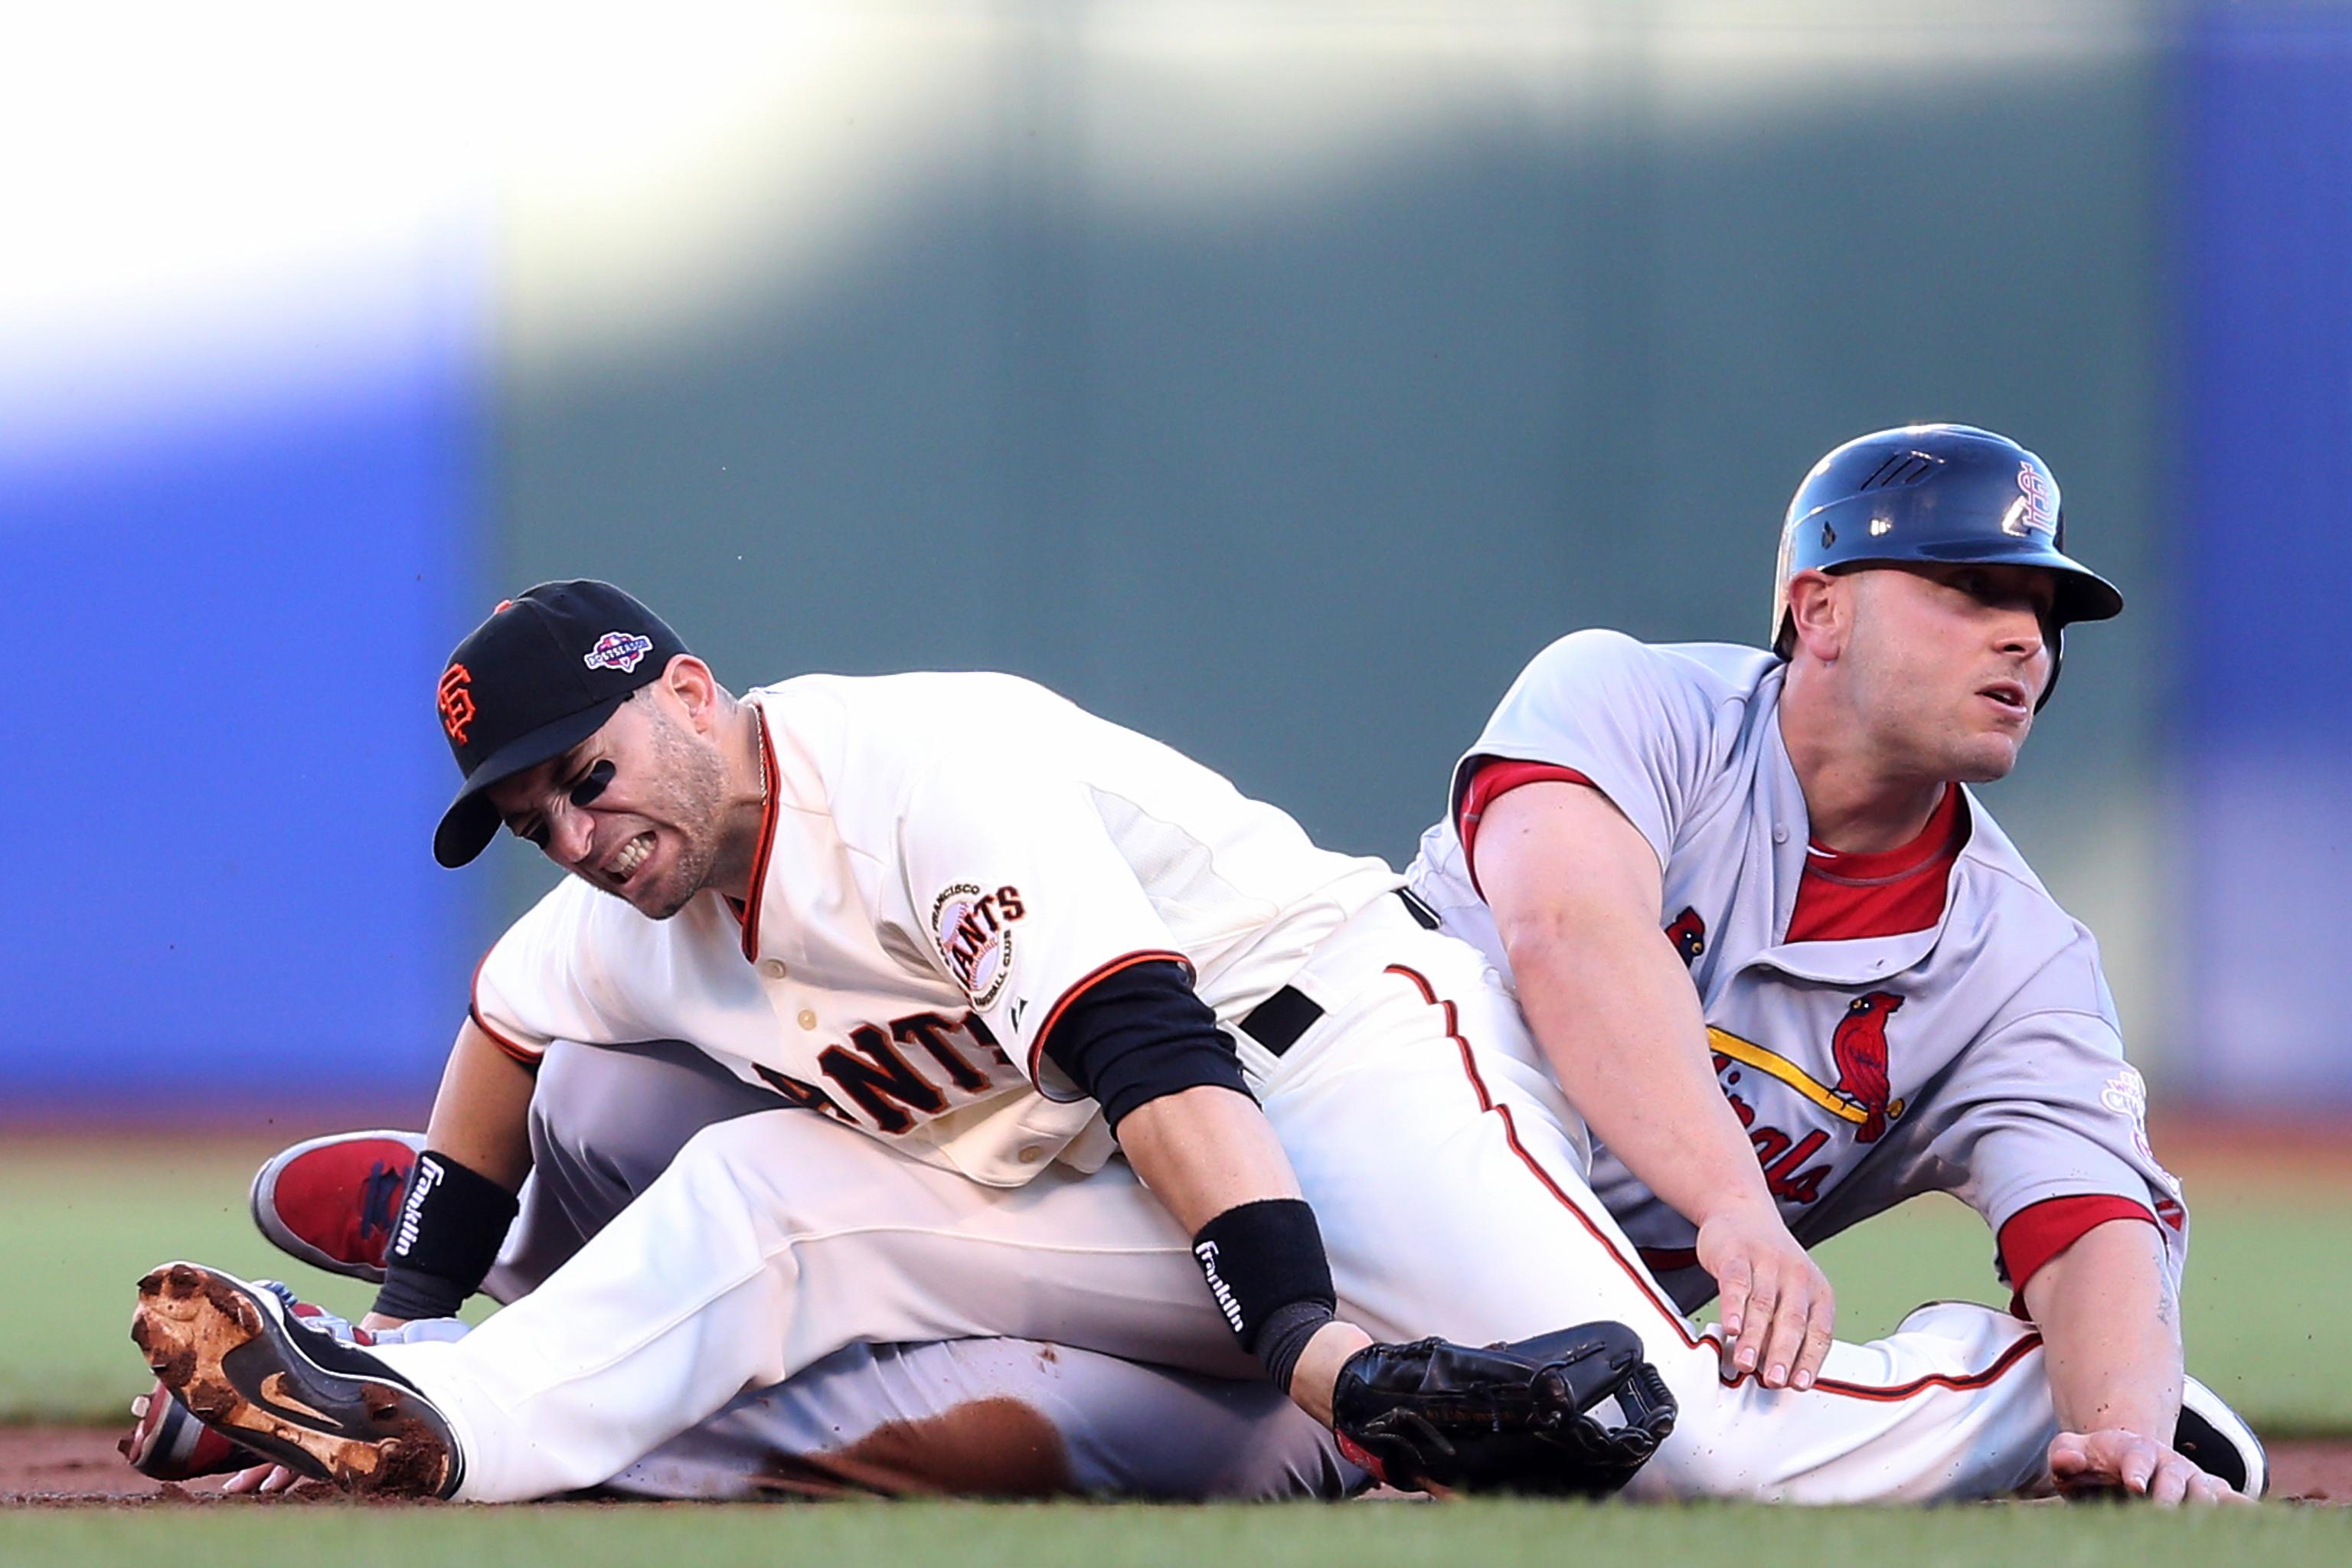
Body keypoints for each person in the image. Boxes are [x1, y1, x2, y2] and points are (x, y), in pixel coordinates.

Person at [134, 577, 2231, 1506]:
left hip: (1335, 1060)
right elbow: (505, 1036)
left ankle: (2047, 1409)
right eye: (531, 822)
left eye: (586, 774)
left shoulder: (904, 770)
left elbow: (1160, 1055)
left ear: (688, 689)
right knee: (755, 1195)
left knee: (1692, 1452)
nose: (578, 840)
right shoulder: (634, 903)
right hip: (1123, 1174)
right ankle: (428, 1419)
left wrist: (1328, 1354)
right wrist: (411, 1310)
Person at [1403, 423, 2260, 1501]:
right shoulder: (1631, 703)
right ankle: (2007, 1401)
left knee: (1284, 1449)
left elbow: (2094, 1221)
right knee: (1663, 1436)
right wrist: (1736, 1205)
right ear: (1820, 609)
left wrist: (2126, 1425)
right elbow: (1570, 933)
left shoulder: (2021, 966)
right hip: (1334, 1155)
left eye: (2040, 612)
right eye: (1972, 589)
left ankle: (2103, 1413)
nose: (2024, 640)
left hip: (1514, 1329)